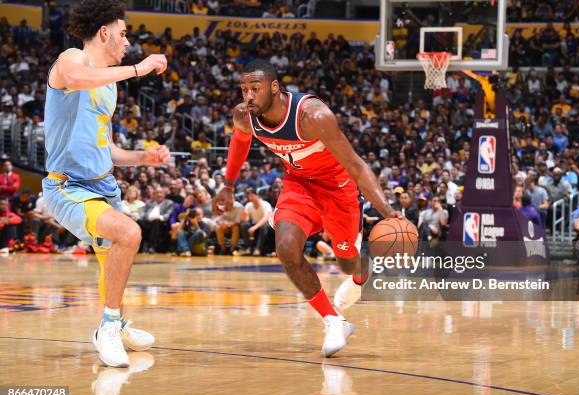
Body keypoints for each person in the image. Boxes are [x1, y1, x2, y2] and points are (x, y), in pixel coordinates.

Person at [214, 60, 400, 357]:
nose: (248, 96)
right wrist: (228, 185)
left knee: (348, 263)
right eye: (244, 89)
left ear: (274, 88)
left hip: (338, 188)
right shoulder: (245, 116)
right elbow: (240, 139)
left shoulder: (313, 116)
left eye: (255, 89)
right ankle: (333, 319)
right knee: (286, 247)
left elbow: (356, 165)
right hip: (299, 184)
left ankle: (363, 270)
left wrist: (387, 211)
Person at [42, 0, 169, 368]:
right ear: (104, 33)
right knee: (129, 233)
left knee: (112, 260)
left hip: (103, 187)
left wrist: (143, 158)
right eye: (124, 33)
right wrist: (138, 69)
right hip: (68, 186)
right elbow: (77, 78)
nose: (128, 41)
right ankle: (108, 327)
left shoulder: (109, 87)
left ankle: (117, 320)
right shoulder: (71, 60)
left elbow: (107, 148)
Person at [240, 187, 272, 256]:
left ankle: (258, 249)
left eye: (252, 195)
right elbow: (246, 219)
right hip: (255, 225)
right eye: (249, 196)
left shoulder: (265, 204)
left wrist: (255, 227)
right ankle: (248, 248)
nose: (250, 197)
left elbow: (266, 218)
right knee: (244, 225)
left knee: (264, 226)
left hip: (267, 226)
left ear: (257, 195)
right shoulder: (248, 205)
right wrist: (244, 217)